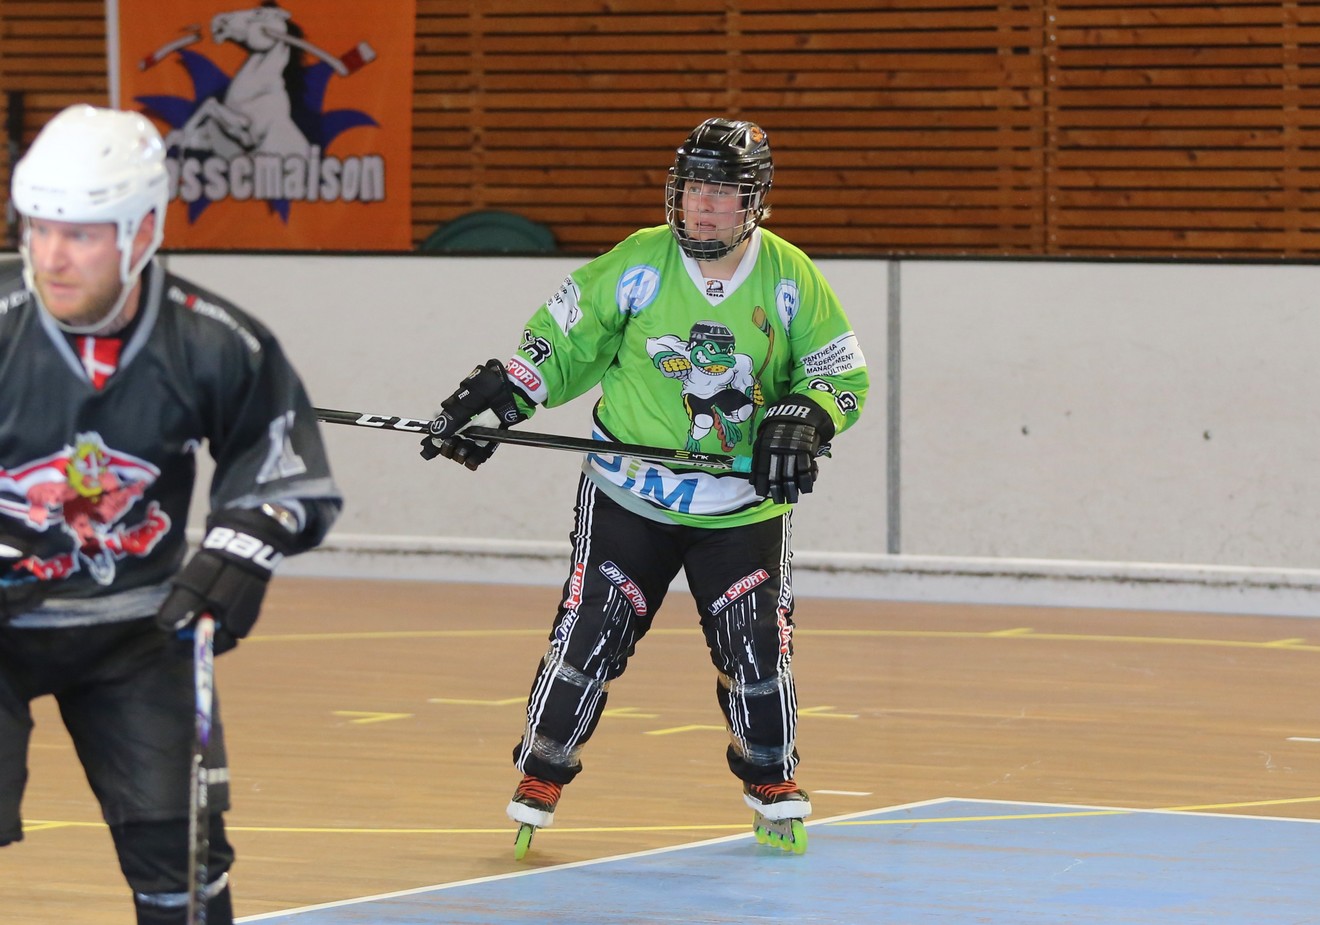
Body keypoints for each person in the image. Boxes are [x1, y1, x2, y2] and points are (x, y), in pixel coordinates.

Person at [421, 117, 869, 857]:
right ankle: (543, 769)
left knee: (755, 645)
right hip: (628, 493)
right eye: (693, 188)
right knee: (591, 632)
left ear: (754, 200)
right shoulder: (637, 263)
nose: (704, 205)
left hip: (740, 505)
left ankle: (770, 774)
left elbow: (838, 373)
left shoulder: (791, 277)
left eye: (722, 192)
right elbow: (561, 345)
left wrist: (807, 416)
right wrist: (501, 402)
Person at [0, 104, 342, 924]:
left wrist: (240, 550)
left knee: (181, 858)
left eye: (81, 234)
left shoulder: (216, 340)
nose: (51, 256)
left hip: (138, 629)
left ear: (143, 230)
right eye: (39, 227)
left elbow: (281, 472)